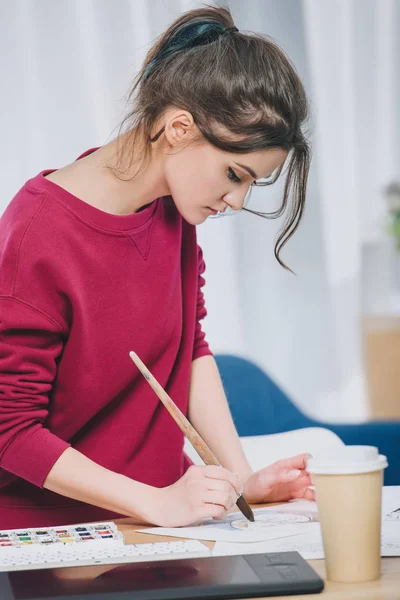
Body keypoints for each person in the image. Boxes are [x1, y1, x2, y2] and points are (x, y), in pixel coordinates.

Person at [0, 4, 314, 530]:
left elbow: (188, 349)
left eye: (251, 184)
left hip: (164, 527)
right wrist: (155, 503)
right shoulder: (39, 233)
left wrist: (238, 479)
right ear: (178, 128)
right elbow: (9, 427)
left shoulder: (172, 209)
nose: (236, 201)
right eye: (234, 174)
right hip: (58, 534)